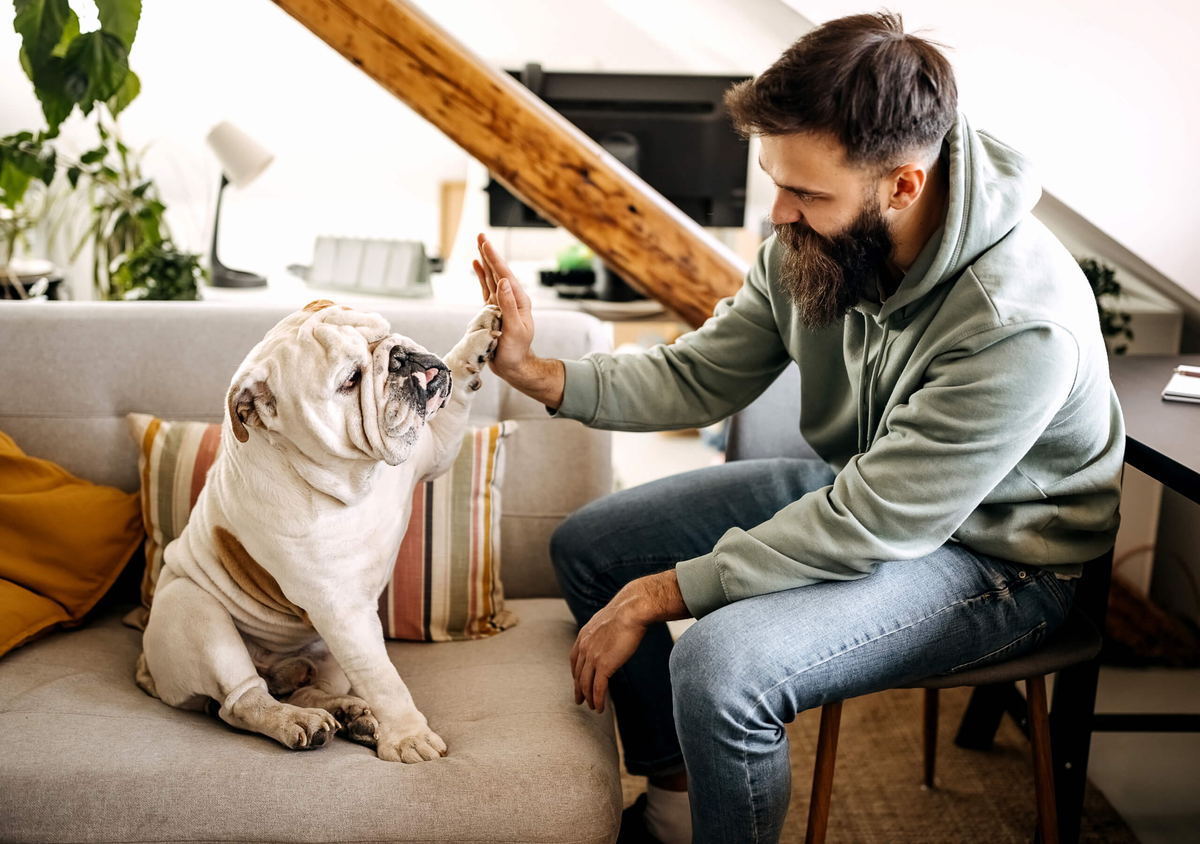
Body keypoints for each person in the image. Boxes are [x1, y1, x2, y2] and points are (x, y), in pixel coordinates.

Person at [472, 12, 1124, 844]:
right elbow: (702, 372)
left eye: (807, 193)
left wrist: (662, 593)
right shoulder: (810, 241)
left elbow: (873, 523)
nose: (779, 213)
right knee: (591, 546)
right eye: (774, 179)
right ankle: (675, 807)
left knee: (720, 666)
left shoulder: (1017, 320)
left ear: (903, 186)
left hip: (1004, 559)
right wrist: (536, 373)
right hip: (875, 487)